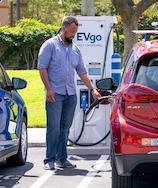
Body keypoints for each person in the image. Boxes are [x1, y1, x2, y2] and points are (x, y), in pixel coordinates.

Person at [37, 16, 100, 170]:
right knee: (54, 127)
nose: (73, 35)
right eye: (71, 31)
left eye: (75, 32)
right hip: (55, 93)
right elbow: (42, 68)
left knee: (65, 128)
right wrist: (49, 89)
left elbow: (82, 72)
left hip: (70, 94)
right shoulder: (50, 45)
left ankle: (62, 159)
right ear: (63, 27)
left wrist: (93, 89)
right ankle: (49, 159)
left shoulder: (75, 50)